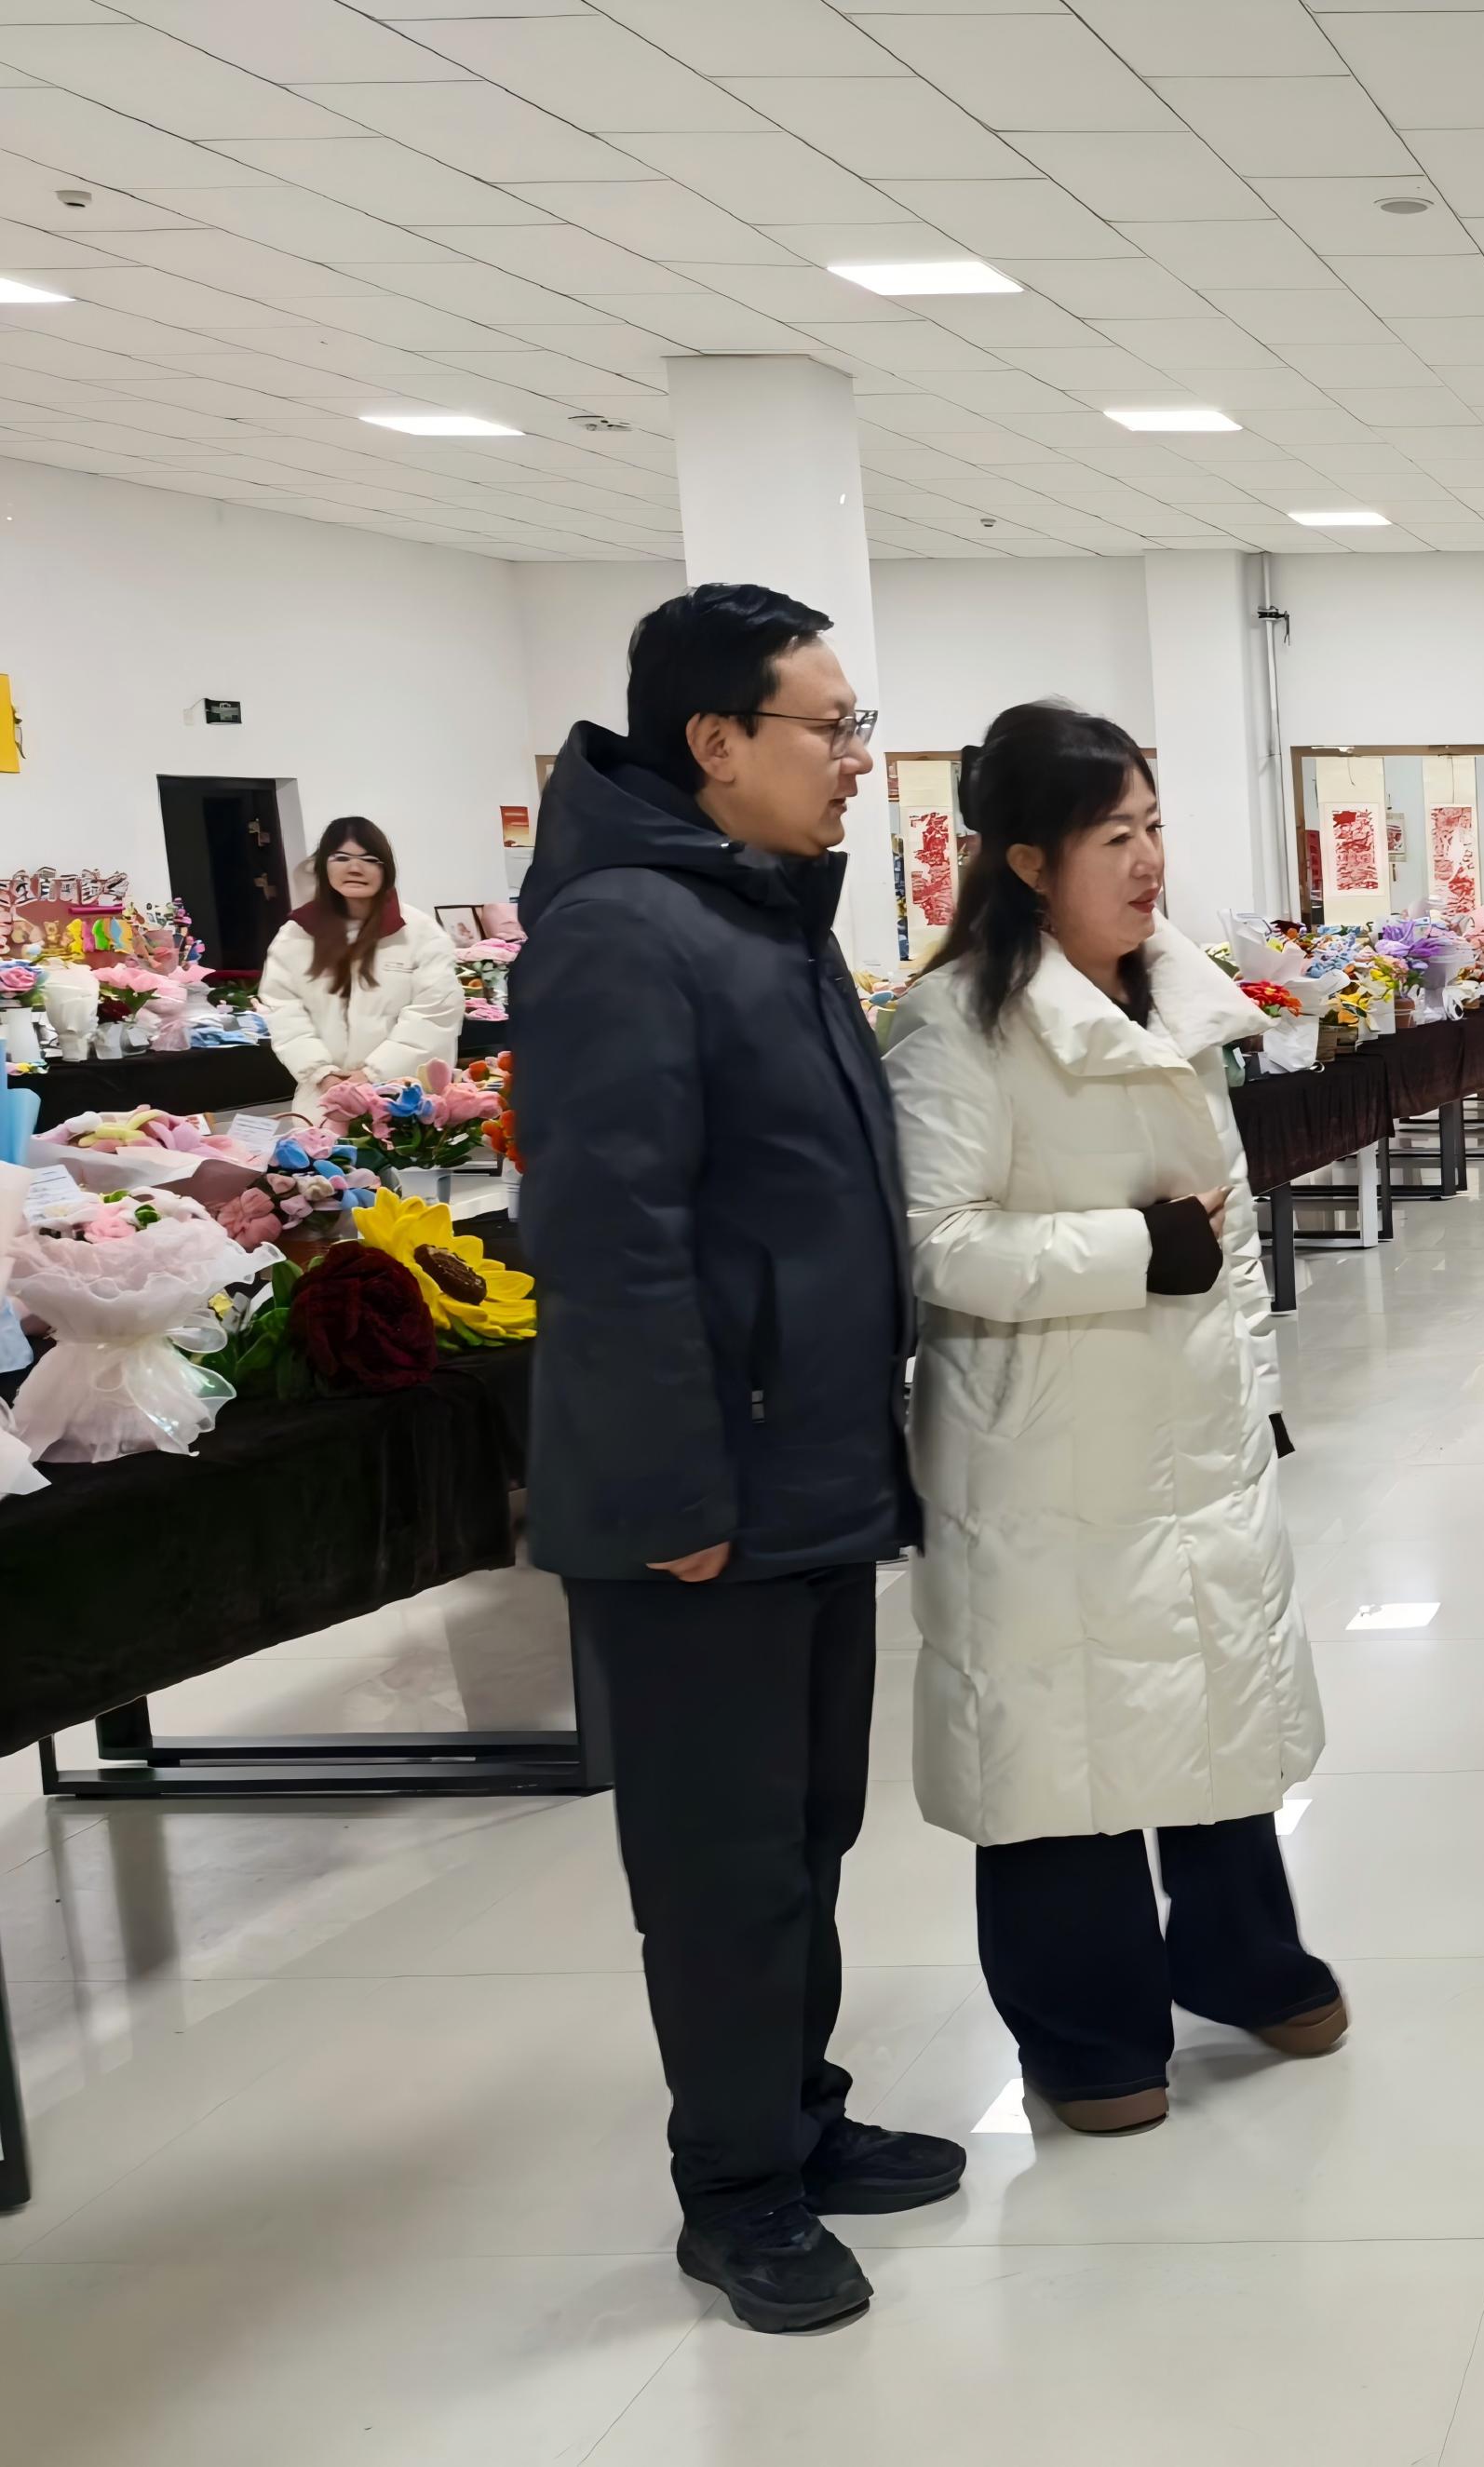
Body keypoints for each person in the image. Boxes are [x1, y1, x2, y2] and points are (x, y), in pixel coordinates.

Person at [514, 582, 959, 2337]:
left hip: (806, 1467)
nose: (857, 761)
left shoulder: (756, 908)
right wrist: (677, 1498)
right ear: (715, 741)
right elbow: (607, 1242)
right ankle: (735, 2190)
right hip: (706, 1500)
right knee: (721, 1867)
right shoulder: (624, 932)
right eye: (829, 728)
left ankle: (797, 2116)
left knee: (805, 1834)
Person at [881, 701, 1341, 2142]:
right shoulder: (954, 1027)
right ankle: (1085, 2026)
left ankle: (1237, 1953)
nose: (1148, 862)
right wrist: (1138, 1250)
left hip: (1190, 1422)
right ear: (1027, 861)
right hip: (1044, 1439)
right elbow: (936, 1244)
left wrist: (1256, 1387)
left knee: (1208, 1692)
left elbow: (1232, 1228)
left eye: (1153, 828)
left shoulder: (1175, 1003)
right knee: (1058, 1735)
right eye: (1111, 837)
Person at [255, 815, 467, 1103]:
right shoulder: (296, 935)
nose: (355, 868)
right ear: (323, 865)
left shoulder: (420, 933)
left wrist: (372, 1074)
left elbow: (435, 1014)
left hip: (403, 1099)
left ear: (386, 868)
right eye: (341, 858)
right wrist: (321, 1073)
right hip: (323, 1098)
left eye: (369, 859)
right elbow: (283, 1010)